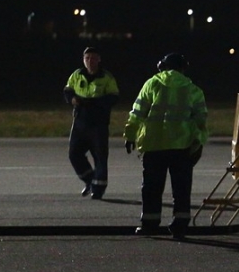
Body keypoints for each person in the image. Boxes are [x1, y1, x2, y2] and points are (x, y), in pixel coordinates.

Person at [123, 53, 207, 239]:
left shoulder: (151, 84)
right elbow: (201, 121)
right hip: (181, 146)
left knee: (152, 188)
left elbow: (137, 113)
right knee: (182, 189)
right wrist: (198, 142)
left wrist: (130, 135)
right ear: (182, 69)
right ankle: (180, 227)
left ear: (162, 67)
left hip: (154, 145)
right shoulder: (193, 89)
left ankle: (150, 225)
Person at [63, 46, 119, 199]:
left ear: (99, 59)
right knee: (74, 154)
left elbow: (113, 96)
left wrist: (95, 103)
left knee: (100, 156)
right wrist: (72, 99)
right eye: (87, 58)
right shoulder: (77, 74)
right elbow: (68, 90)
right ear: (83, 60)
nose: (90, 61)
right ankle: (90, 180)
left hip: (98, 123)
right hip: (80, 121)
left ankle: (98, 189)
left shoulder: (106, 77)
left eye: (93, 58)